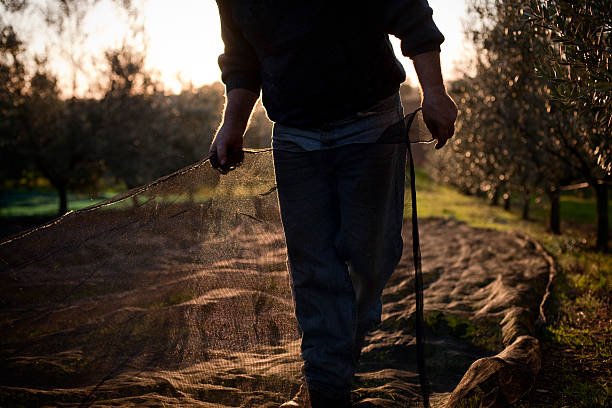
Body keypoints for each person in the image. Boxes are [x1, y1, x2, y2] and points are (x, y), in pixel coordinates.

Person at [211, 1, 457, 407]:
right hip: (294, 136)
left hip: (371, 123)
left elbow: (409, 11)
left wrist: (435, 92)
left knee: (371, 255)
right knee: (313, 269)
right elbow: (240, 58)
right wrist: (232, 125)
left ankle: (339, 353)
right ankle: (326, 385)